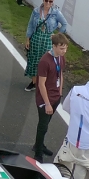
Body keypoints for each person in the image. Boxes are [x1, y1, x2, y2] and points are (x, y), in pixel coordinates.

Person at [32, 33, 68, 161]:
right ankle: (37, 152)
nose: (64, 51)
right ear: (54, 46)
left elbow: (61, 74)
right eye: (61, 48)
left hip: (55, 96)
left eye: (65, 48)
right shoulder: (45, 61)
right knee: (43, 126)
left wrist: (59, 92)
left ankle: (39, 145)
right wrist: (47, 103)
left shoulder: (60, 58)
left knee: (46, 124)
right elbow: (41, 84)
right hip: (45, 99)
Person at [23, 0, 68, 92]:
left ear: (53, 2)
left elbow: (64, 24)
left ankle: (45, 83)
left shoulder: (56, 13)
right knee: (33, 61)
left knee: (46, 62)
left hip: (48, 40)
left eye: (50, 1)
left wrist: (57, 35)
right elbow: (30, 25)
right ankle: (34, 83)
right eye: (46, 0)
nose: (48, 3)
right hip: (36, 38)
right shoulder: (36, 11)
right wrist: (27, 39)